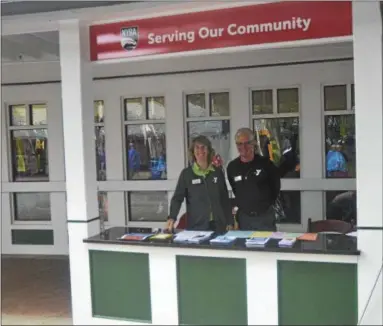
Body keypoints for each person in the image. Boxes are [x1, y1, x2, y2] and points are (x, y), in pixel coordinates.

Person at [166, 135, 233, 233]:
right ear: (193, 151)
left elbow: (224, 199)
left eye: (203, 147)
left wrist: (230, 221)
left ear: (209, 150)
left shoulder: (217, 172)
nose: (200, 151)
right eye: (197, 147)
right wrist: (172, 217)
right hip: (197, 226)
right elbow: (177, 198)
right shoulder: (187, 174)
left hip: (219, 225)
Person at [227, 128, 281, 231]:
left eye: (247, 143)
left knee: (268, 246)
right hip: (244, 218)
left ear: (254, 143)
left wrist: (263, 204)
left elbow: (275, 187)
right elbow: (236, 189)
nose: (243, 147)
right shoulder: (232, 167)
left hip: (265, 217)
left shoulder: (266, 164)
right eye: (239, 144)